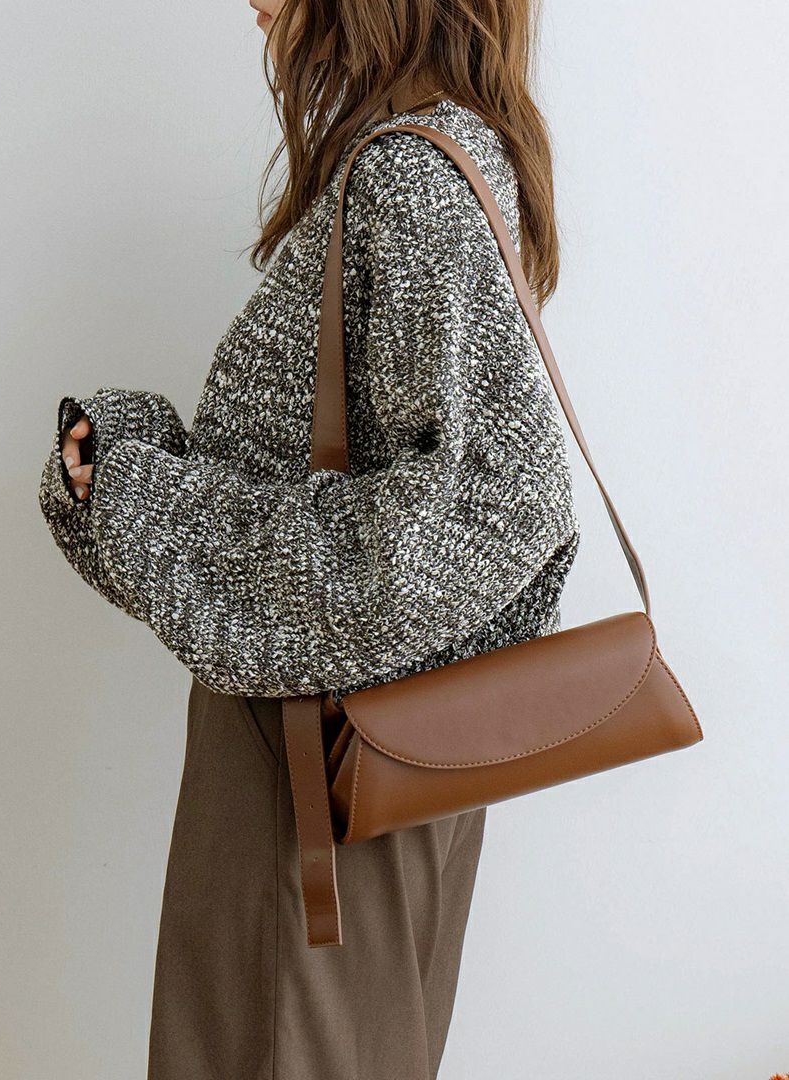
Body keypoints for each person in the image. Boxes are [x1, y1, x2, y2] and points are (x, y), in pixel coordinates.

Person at [37, 1, 581, 1076]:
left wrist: (144, 498)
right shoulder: (437, 154)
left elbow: (490, 506)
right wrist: (135, 480)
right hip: (361, 762)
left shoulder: (414, 175)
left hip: (315, 775)